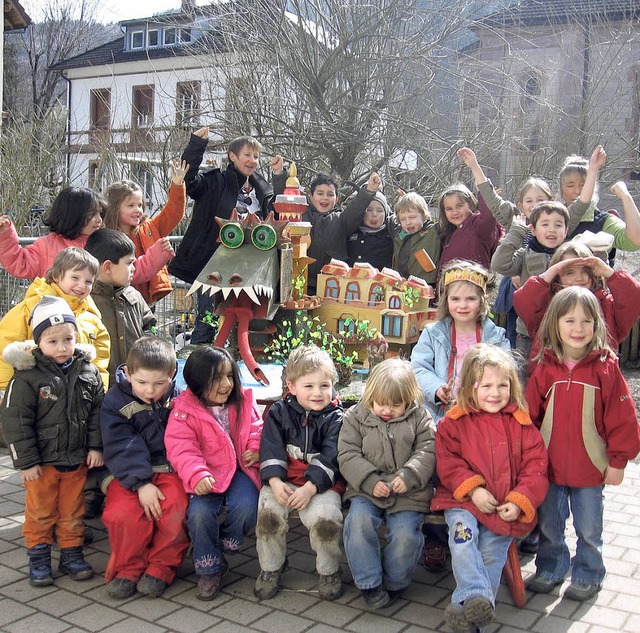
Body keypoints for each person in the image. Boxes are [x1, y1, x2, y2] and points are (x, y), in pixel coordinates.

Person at [526, 286, 640, 602]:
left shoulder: (606, 367)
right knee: (549, 525)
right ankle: (550, 569)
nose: (578, 329)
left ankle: (588, 573)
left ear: (596, 325)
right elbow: (529, 417)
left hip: (591, 470)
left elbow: (623, 419)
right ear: (554, 325)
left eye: (586, 321)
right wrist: (525, 460)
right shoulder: (545, 367)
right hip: (548, 469)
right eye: (570, 320)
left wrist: (618, 462)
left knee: (589, 530)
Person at [432, 344, 548, 632]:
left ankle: (467, 608)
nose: (495, 393)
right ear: (471, 386)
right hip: (463, 501)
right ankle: (478, 598)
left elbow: (536, 468)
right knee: (463, 540)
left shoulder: (521, 424)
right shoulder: (453, 423)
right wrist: (473, 490)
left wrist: (520, 500)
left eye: (503, 385)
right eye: (486, 385)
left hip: (502, 505)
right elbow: (448, 463)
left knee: (492, 553)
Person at [411, 259, 510, 573]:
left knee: (478, 470)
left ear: (482, 300)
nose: (463, 305)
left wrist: (483, 396)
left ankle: (477, 527)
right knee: (437, 473)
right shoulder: (434, 333)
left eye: (470, 298)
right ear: (445, 301)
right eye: (455, 299)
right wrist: (438, 388)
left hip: (481, 418)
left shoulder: (495, 335)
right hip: (441, 415)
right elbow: (418, 368)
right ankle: (436, 537)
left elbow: (507, 370)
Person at [0, 296, 104, 587]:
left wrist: (96, 447)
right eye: (53, 341)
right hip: (41, 464)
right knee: (40, 512)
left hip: (76, 459)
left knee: (73, 511)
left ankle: (71, 554)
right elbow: (15, 422)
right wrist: (26, 461)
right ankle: (39, 557)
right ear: (37, 343)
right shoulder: (26, 377)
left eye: (68, 339)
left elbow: (97, 412)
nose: (62, 347)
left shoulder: (88, 371)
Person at [165, 346, 263, 601]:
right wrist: (196, 474)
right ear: (198, 382)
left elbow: (256, 426)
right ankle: (209, 568)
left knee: (247, 507)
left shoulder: (241, 400)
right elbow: (181, 448)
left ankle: (222, 543)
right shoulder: (184, 411)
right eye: (217, 378)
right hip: (205, 474)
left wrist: (255, 448)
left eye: (230, 376)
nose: (226, 384)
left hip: (240, 468)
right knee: (199, 515)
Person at [338, 358, 436, 609]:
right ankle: (369, 581)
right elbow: (348, 454)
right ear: (370, 396)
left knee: (405, 534)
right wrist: (370, 480)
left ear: (409, 400)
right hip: (365, 490)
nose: (386, 410)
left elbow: (428, 451)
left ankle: (395, 580)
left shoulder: (421, 418)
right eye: (381, 403)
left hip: (408, 493)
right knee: (358, 523)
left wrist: (409, 475)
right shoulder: (355, 417)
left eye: (396, 405)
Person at [169, 128, 281, 344]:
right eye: (247, 155)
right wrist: (196, 145)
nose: (252, 160)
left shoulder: (262, 189)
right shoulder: (216, 181)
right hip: (214, 266)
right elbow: (189, 180)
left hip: (252, 270)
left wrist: (279, 176)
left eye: (256, 156)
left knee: (246, 323)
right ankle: (199, 363)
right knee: (207, 321)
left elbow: (280, 212)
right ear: (232, 156)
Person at [100, 336, 188, 600]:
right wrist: (141, 483)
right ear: (127, 373)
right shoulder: (116, 402)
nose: (150, 391)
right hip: (126, 473)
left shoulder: (179, 397)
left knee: (174, 508)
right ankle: (129, 568)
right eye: (141, 383)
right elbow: (121, 444)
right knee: (122, 514)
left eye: (160, 383)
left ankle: (162, 566)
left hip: (169, 469)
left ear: (172, 375)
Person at [254, 345, 344, 601]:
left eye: (324, 386)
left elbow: (333, 455)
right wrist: (273, 480)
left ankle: (329, 570)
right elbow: (270, 446)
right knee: (268, 519)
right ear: (292, 387)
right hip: (282, 480)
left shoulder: (336, 418)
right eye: (309, 386)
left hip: (321, 485)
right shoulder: (279, 412)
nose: (318, 393)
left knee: (326, 523)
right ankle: (271, 568)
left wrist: (310, 488)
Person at [457, 146, 556, 346]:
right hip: (517, 292)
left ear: (550, 201)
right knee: (517, 337)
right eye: (529, 200)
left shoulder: (556, 223)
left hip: (547, 295)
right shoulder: (515, 217)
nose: (534, 204)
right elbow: (492, 200)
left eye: (540, 200)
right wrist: (475, 166)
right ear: (521, 205)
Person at [0, 186, 173, 286]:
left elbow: (132, 270)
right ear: (73, 214)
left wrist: (157, 255)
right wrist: (5, 234)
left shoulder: (104, 240)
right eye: (93, 215)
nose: (99, 220)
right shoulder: (46, 245)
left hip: (96, 317)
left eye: (100, 214)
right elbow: (18, 263)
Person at [0, 247, 110, 391]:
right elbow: (5, 350)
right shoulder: (29, 309)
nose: (82, 285)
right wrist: (5, 391)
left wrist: (100, 390)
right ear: (58, 276)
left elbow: (100, 360)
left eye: (88, 281)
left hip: (78, 396)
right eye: (75, 278)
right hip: (35, 394)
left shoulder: (91, 316)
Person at [514, 239, 640, 362]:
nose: (579, 278)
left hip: (597, 377)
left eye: (585, 271)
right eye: (569, 272)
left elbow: (634, 298)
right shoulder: (547, 303)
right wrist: (549, 273)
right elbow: (523, 302)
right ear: (557, 277)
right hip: (550, 378)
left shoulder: (605, 304)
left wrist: (609, 273)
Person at [272, 168, 381, 293]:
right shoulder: (301, 214)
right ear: (310, 196)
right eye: (320, 193)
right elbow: (286, 199)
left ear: (337, 199)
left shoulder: (341, 219)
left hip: (332, 285)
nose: (325, 198)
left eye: (330, 194)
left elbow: (356, 208)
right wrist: (279, 174)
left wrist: (369, 190)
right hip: (299, 281)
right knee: (299, 312)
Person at [103, 159, 188, 306]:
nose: (138, 210)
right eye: (131, 205)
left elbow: (173, 213)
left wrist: (177, 185)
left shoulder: (149, 227)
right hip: (116, 299)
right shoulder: (106, 235)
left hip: (146, 298)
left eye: (140, 205)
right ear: (115, 208)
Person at [84, 229, 156, 387]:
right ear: (108, 267)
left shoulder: (134, 296)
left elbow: (150, 325)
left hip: (137, 384)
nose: (134, 268)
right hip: (100, 386)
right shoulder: (85, 300)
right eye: (129, 263)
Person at [559, 154, 640, 259]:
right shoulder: (552, 218)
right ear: (561, 190)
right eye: (570, 185)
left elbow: (636, 240)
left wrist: (626, 197)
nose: (578, 191)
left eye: (584, 185)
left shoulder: (604, 221)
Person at [436, 183, 501, 274]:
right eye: (449, 209)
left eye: (459, 206)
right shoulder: (448, 235)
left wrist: (485, 193)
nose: (455, 212)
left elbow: (488, 216)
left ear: (470, 204)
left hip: (472, 285)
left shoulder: (478, 227)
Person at [392, 191, 441, 286]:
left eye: (412, 217)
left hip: (426, 284)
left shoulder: (434, 231)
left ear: (423, 215)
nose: (408, 222)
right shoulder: (399, 235)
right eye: (403, 219)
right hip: (402, 284)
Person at [347, 191, 394, 271]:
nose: (374, 214)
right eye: (369, 210)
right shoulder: (351, 231)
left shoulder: (390, 235)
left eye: (379, 211)